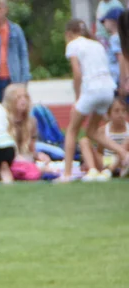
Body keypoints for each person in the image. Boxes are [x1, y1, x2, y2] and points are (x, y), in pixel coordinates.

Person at [60, 20, 129, 181]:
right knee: (92, 131)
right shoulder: (96, 45)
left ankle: (67, 174)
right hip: (107, 89)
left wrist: (77, 99)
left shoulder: (73, 45)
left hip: (92, 89)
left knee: (72, 130)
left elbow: (77, 74)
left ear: (68, 34)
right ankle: (124, 153)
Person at [103, 95, 129, 173]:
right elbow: (99, 151)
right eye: (117, 111)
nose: (120, 114)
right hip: (107, 160)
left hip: (124, 160)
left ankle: (110, 171)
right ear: (109, 114)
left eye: (124, 111)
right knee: (84, 141)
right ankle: (93, 170)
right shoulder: (104, 130)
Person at [100, 8, 123, 88]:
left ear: (112, 21)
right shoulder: (122, 38)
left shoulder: (115, 39)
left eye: (104, 21)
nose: (103, 24)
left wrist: (122, 81)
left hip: (117, 79)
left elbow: (120, 59)